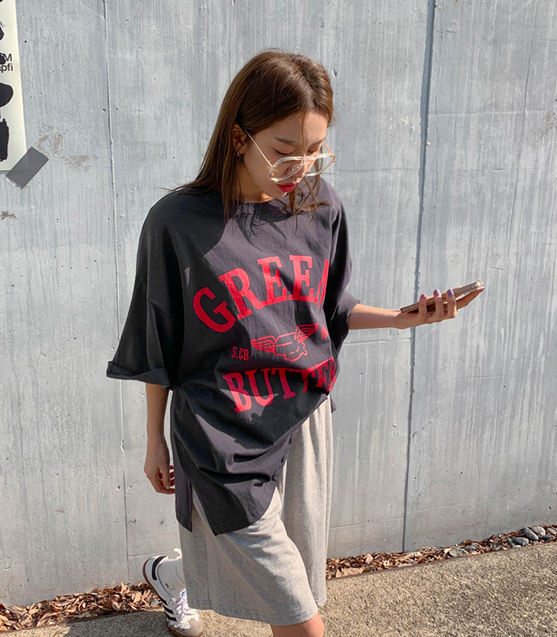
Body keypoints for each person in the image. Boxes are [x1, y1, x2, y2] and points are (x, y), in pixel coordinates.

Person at [107, 50, 482, 637]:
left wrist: (406, 319)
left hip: (301, 420)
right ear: (239, 137)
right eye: (284, 150)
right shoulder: (175, 223)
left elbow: (328, 310)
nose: (300, 167)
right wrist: (154, 439)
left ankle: (173, 575)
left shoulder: (320, 205)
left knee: (295, 580)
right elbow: (158, 339)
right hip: (220, 435)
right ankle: (182, 575)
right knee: (301, 620)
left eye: (315, 150)